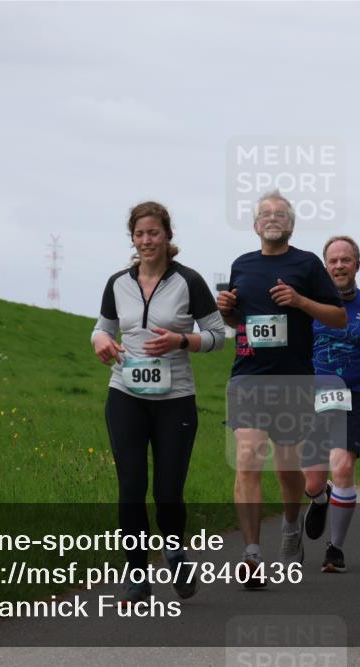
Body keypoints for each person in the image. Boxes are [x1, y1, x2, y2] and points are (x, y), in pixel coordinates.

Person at [92, 201, 226, 605]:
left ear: (168, 235)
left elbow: (218, 336)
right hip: (125, 394)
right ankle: (136, 576)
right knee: (131, 487)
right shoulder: (118, 283)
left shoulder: (189, 281)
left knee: (168, 490)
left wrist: (181, 340)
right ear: (132, 239)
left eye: (153, 232)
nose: (147, 240)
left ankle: (175, 553)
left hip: (175, 399)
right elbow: (103, 327)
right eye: (139, 234)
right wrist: (100, 340)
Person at [216, 190, 346, 587]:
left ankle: (291, 527)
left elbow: (338, 317)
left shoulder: (306, 264)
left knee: (288, 467)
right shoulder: (241, 265)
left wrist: (300, 300)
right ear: (256, 225)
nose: (272, 218)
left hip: (292, 379)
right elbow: (239, 321)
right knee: (248, 457)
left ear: (290, 224)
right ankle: (252, 554)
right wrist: (227, 311)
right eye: (265, 214)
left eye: (280, 214)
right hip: (248, 376)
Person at [303, 235, 360, 572]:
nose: (339, 266)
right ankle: (320, 498)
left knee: (343, 467)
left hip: (351, 393)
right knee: (311, 482)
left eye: (345, 260)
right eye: (333, 261)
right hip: (312, 394)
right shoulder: (309, 303)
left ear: (357, 265)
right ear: (326, 267)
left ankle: (335, 549)